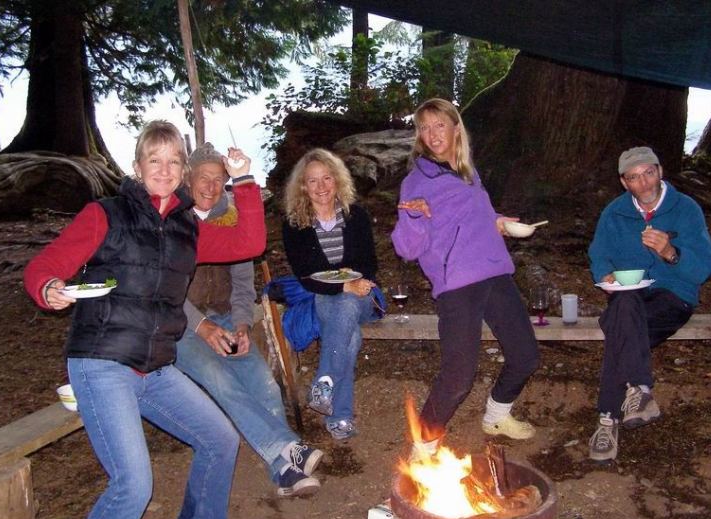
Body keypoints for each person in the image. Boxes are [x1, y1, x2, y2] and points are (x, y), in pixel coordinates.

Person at [23, 120, 266, 519]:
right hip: (101, 363)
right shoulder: (105, 214)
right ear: (137, 167)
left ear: (182, 170)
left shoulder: (186, 230)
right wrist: (50, 286)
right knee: (133, 485)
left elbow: (250, 241)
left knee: (219, 439)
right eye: (154, 160)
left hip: (155, 367)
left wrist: (245, 180)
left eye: (174, 160)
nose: (164, 168)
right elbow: (45, 264)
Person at [391, 98, 539, 456]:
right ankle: (424, 447)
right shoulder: (416, 181)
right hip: (457, 283)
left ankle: (497, 415)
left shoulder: (469, 173)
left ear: (456, 129)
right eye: (425, 128)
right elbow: (406, 249)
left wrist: (502, 222)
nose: (432, 134)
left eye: (439, 125)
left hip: (494, 272)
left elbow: (476, 217)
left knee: (525, 354)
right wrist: (415, 218)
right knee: (459, 374)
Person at [174, 143, 323, 497]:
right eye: (203, 178)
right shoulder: (172, 221)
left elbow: (243, 283)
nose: (211, 187)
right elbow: (165, 292)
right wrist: (202, 327)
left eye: (219, 179)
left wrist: (241, 324)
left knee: (264, 384)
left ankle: (283, 469)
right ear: (187, 180)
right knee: (220, 379)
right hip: (177, 324)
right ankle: (288, 447)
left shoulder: (234, 217)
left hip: (225, 317)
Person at [587, 146, 711, 462]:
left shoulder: (685, 209)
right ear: (623, 182)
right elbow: (598, 253)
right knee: (625, 304)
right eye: (634, 177)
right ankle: (640, 391)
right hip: (629, 296)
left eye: (648, 173)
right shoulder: (614, 212)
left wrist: (671, 252)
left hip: (674, 297)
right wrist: (604, 273)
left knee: (618, 327)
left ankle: (606, 421)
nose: (644, 184)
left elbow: (702, 271)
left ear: (660, 171)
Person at [282, 148, 380, 440]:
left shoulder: (356, 216)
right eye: (313, 181)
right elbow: (306, 274)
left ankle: (324, 382)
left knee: (349, 303)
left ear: (337, 181)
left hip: (362, 294)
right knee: (349, 334)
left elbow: (368, 265)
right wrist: (342, 285)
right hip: (322, 296)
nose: (321, 186)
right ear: (303, 186)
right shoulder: (295, 224)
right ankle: (340, 418)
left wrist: (350, 285)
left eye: (327, 178)